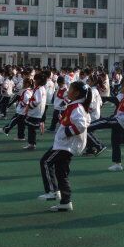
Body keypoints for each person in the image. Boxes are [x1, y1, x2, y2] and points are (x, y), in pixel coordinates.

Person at [38, 80, 92, 212]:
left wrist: (67, 133)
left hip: (66, 145)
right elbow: (86, 120)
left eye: (71, 89)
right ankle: (65, 202)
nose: (68, 90)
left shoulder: (77, 107)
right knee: (61, 172)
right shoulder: (74, 106)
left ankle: (52, 191)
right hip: (63, 144)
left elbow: (82, 124)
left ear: (76, 93)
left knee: (45, 161)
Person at [85, 78, 124, 170]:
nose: (121, 88)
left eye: (122, 87)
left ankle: (98, 146)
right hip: (120, 123)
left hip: (119, 122)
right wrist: (105, 99)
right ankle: (117, 164)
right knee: (115, 143)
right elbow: (115, 100)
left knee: (102, 122)